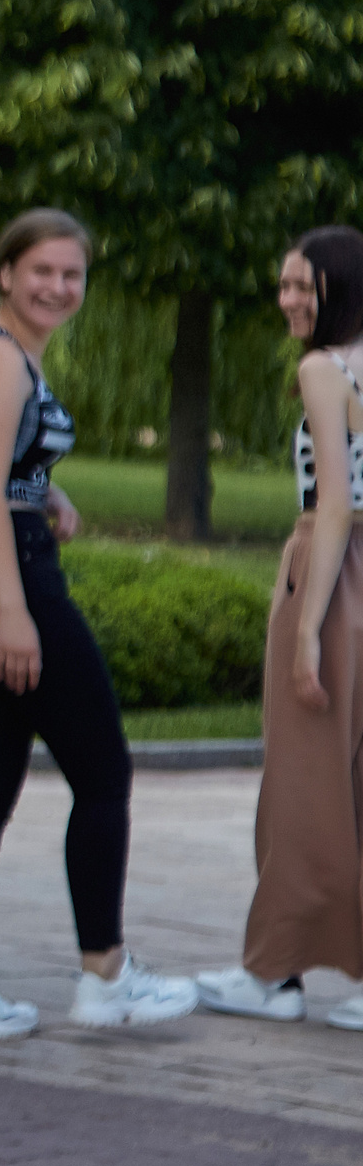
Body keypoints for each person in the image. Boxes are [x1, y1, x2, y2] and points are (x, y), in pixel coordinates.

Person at [0, 208, 199, 1048]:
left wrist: (51, 492)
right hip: (3, 579)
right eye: (42, 270)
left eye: (73, 274)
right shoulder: (0, 355)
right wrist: (13, 610)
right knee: (104, 773)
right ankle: (106, 976)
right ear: (6, 273)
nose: (58, 286)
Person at [197, 226, 363, 1030]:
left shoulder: (323, 369)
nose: (288, 298)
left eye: (303, 285)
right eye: (285, 284)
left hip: (334, 575)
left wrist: (305, 632)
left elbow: (333, 506)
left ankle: (274, 971)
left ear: (339, 287)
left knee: (300, 781)